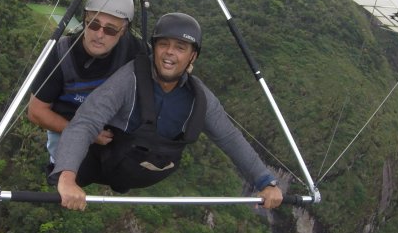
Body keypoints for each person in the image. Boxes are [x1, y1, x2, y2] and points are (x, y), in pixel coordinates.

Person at [50, 12, 283, 211]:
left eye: (180, 48)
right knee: (68, 169)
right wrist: (68, 178)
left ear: (193, 56)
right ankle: (62, 170)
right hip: (101, 161)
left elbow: (229, 138)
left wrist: (265, 181)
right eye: (163, 45)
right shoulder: (128, 79)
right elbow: (86, 121)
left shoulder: (199, 98)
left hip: (142, 171)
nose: (169, 53)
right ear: (155, 48)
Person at [27, 0, 143, 167]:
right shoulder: (62, 52)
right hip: (69, 122)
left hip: (111, 127)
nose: (99, 34)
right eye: (93, 24)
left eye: (111, 30)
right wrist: (86, 132)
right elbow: (36, 111)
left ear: (123, 31)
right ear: (84, 19)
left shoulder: (135, 50)